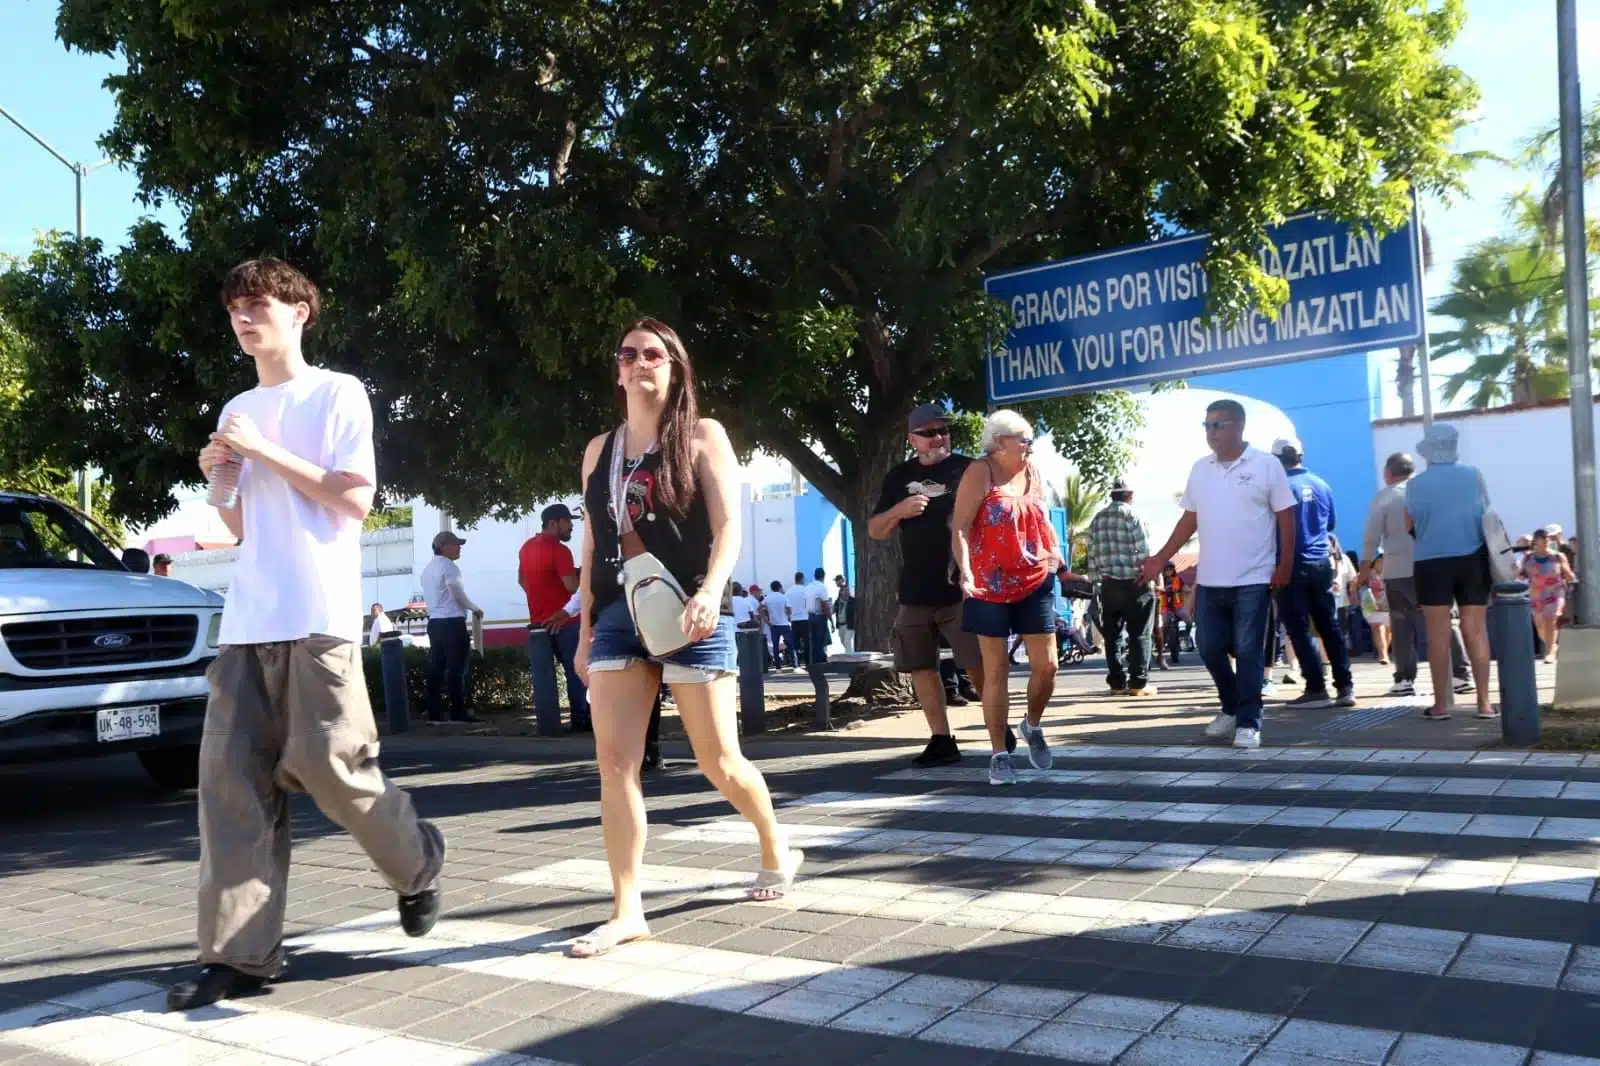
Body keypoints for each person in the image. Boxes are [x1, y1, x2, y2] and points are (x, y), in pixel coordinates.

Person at [168, 258, 443, 1011]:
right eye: (234, 309)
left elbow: (354, 500)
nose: (244, 319)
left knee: (333, 766)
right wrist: (217, 471)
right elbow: (238, 524)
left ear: (300, 313)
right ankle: (239, 956)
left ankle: (416, 863)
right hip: (249, 619)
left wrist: (263, 451)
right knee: (229, 787)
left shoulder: (337, 393)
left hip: (319, 614)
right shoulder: (236, 406)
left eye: (258, 305)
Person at [571, 317, 799, 957]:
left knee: (717, 762)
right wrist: (587, 632)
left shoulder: (701, 436)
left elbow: (729, 526)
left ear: (673, 367)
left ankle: (774, 842)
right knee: (615, 764)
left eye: (653, 354)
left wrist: (709, 592)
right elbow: (592, 549)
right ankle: (626, 910)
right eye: (627, 355)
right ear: (617, 371)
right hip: (620, 613)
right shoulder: (599, 451)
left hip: (692, 609)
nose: (639, 363)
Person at [1139, 400, 1295, 750]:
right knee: (1208, 646)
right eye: (1207, 425)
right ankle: (1231, 707)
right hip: (1210, 579)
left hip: (1254, 577)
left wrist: (1284, 563)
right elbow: (1188, 520)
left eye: (1218, 425)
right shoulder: (1201, 469)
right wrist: (1159, 558)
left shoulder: (1266, 466)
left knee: (1247, 648)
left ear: (1239, 426)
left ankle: (1250, 722)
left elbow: (1286, 515)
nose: (1211, 432)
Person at [870, 402, 990, 767]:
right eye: (928, 432)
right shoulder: (897, 478)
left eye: (943, 430)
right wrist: (899, 511)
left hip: (962, 587)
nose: (938, 438)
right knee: (921, 666)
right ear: (912, 439)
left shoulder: (969, 469)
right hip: (915, 590)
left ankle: (999, 728)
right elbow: (875, 530)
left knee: (977, 663)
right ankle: (941, 739)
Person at [952, 408, 1062, 785]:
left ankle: (1031, 726)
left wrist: (1055, 555)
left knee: (1047, 666)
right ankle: (999, 753)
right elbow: (962, 528)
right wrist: (965, 570)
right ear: (999, 443)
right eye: (1024, 440)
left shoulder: (1032, 472)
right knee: (995, 670)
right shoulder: (979, 472)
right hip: (989, 585)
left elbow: (1042, 518)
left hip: (1034, 577)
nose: (1030, 447)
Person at [1358, 452, 1473, 698]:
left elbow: (1371, 538)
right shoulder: (1432, 492)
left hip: (1399, 571)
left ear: (1388, 473)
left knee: (1402, 625)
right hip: (1435, 566)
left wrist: (1364, 571)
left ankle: (1404, 680)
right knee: (1444, 621)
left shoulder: (1385, 497)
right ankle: (1460, 675)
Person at [1404, 423, 1495, 721]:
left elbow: (1410, 526)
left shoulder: (1415, 484)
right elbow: (1486, 514)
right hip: (1473, 559)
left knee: (1438, 634)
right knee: (1475, 631)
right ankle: (1484, 704)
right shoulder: (1473, 475)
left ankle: (1441, 705)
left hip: (1431, 562)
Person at [1270, 437, 1356, 710]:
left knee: (1297, 628)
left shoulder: (1279, 488)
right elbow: (1330, 524)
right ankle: (1345, 686)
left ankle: (1316, 687)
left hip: (1289, 564)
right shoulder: (1321, 484)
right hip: (1320, 563)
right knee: (1328, 624)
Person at [519, 503, 589, 731]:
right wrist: (583, 576)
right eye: (567, 522)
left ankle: (549, 723)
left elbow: (522, 581)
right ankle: (581, 719)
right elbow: (571, 587)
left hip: (538, 622)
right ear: (553, 523)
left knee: (544, 675)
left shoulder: (526, 547)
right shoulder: (560, 550)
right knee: (576, 671)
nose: (570, 527)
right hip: (564, 621)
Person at [1086, 476, 1156, 696]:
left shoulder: (1097, 519)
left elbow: (1092, 554)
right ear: (1130, 495)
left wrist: (1098, 581)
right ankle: (1138, 683)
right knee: (1140, 634)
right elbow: (1143, 552)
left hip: (1109, 585)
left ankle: (1116, 682)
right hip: (1135, 583)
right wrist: (1148, 577)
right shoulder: (1134, 516)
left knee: (1113, 635)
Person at [420, 530, 484, 724]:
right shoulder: (449, 567)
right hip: (452, 622)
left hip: (435, 622)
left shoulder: (427, 570)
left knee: (437, 668)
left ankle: (434, 712)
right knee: (458, 669)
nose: (459, 548)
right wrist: (474, 608)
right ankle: (458, 712)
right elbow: (455, 591)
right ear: (443, 547)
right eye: (456, 544)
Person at [1521, 528, 1575, 664]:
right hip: (1537, 594)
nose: (1546, 541)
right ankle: (1553, 645)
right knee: (1539, 625)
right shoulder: (1528, 557)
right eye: (1543, 538)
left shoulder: (1557, 556)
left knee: (1551, 617)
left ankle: (1550, 652)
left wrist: (1570, 577)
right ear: (1535, 541)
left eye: (1547, 539)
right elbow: (1522, 574)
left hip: (1555, 592)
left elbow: (1568, 573)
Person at [1362, 556, 1391, 664]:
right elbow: (1356, 582)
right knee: (1377, 627)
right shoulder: (1368, 573)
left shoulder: (1392, 572)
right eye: (1379, 561)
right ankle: (1383, 654)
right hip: (1372, 605)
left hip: (1389, 604)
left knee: (1388, 630)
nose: (1381, 563)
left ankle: (1385, 651)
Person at [1158, 561, 1186, 665]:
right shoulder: (1160, 580)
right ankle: (1161, 643)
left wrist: (1187, 590)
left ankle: (1186, 637)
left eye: (1170, 569)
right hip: (1164, 608)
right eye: (1166, 569)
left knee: (1188, 620)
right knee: (1163, 624)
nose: (1168, 571)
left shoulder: (1178, 579)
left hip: (1177, 607)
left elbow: (1185, 588)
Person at [767, 579, 797, 669]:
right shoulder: (783, 597)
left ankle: (778, 667)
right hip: (784, 624)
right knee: (790, 644)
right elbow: (789, 609)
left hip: (774, 625)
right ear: (779, 587)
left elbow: (761, 608)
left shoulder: (768, 598)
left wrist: (768, 621)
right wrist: (788, 616)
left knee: (775, 646)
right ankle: (795, 665)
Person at [804, 566, 833, 660]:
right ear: (823, 577)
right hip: (819, 617)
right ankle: (820, 661)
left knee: (812, 642)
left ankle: (812, 661)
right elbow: (825, 605)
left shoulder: (808, 587)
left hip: (810, 616)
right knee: (820, 642)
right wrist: (831, 620)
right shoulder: (822, 587)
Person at [785, 573, 811, 664]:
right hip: (805, 618)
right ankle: (808, 662)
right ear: (802, 579)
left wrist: (788, 617)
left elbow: (786, 607)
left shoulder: (788, 592)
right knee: (807, 642)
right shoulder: (806, 590)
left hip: (794, 619)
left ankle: (796, 663)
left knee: (795, 643)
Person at [834, 576, 856, 652]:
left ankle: (850, 659)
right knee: (843, 642)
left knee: (847, 641)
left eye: (848, 590)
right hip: (840, 626)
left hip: (849, 625)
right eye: (845, 591)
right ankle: (851, 654)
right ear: (841, 592)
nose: (847, 592)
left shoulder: (852, 601)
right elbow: (833, 610)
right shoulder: (838, 602)